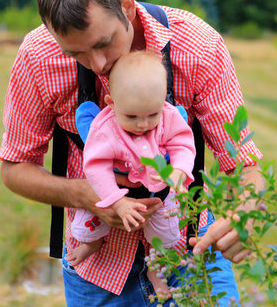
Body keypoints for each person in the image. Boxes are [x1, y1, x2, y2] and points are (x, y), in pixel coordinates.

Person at [0, 0, 264, 306]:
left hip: (189, 252)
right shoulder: (38, 57)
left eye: (103, 43)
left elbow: (245, 165)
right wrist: (88, 196)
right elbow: (14, 169)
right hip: (96, 267)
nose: (98, 65)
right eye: (75, 54)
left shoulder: (198, 48)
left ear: (126, 5)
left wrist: (245, 214)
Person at [67, 51, 195, 295]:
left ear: (162, 103)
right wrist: (116, 202)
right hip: (112, 190)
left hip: (158, 188)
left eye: (152, 115)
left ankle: (155, 267)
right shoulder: (105, 129)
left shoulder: (168, 116)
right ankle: (91, 243)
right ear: (111, 103)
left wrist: (179, 170)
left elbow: (183, 144)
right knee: (86, 222)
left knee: (168, 231)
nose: (143, 125)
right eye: (132, 116)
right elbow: (96, 166)